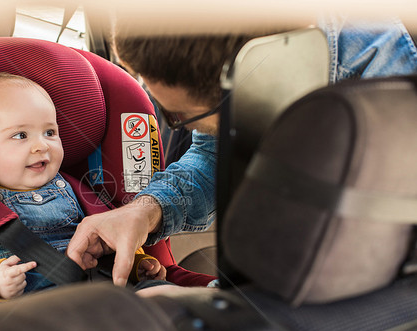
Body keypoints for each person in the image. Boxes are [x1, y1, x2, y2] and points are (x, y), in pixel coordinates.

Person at [66, 17, 417, 286]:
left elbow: (364, 260)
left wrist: (217, 301)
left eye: (180, 116)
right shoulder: (250, 60)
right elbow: (212, 154)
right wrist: (146, 210)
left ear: (253, 83)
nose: (179, 126)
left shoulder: (395, 102)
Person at [0, 72, 166, 302]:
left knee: (163, 293)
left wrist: (137, 263)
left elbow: (112, 230)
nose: (41, 145)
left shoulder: (76, 188)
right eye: (20, 135)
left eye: (49, 132)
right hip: (41, 307)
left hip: (106, 290)